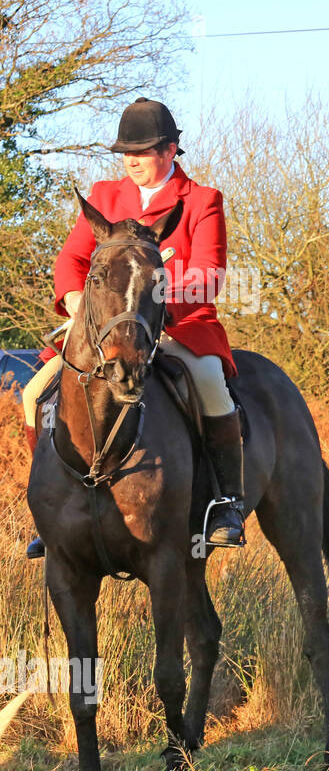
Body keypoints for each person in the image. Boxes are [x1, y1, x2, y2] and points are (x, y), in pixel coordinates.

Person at [21, 97, 245, 558]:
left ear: (169, 150)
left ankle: (226, 502)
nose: (132, 161)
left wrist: (152, 305)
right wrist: (74, 298)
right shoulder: (104, 197)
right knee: (32, 393)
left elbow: (210, 272)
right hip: (105, 327)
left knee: (208, 382)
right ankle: (48, 509)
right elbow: (72, 259)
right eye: (126, 152)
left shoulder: (201, 201)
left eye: (141, 152)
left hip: (175, 325)